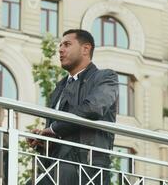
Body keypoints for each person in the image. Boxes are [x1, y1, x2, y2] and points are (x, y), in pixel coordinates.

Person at [28, 29, 118, 185]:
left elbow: (93, 108)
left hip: (85, 167)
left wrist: (53, 129)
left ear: (85, 49)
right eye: (60, 45)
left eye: (67, 44)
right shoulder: (59, 88)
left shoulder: (105, 77)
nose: (60, 50)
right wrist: (43, 139)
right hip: (54, 165)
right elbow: (54, 130)